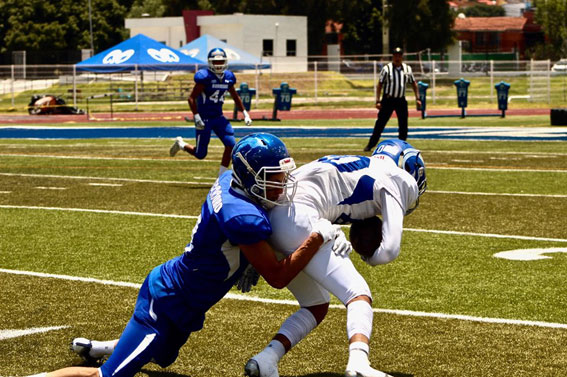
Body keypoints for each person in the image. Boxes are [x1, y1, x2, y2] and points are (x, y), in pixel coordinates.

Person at [27, 133, 343, 377]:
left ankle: (109, 347)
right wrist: (317, 236)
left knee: (161, 357)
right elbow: (277, 277)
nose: (280, 186)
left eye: (281, 176)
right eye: (271, 179)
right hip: (166, 302)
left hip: (183, 298)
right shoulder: (243, 216)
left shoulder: (229, 182)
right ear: (249, 177)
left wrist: (250, 259)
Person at [245, 139, 427, 377]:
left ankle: (266, 359)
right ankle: (359, 362)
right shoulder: (399, 178)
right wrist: (369, 258)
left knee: (316, 304)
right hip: (300, 219)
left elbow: (324, 194)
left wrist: (329, 226)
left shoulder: (357, 164)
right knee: (358, 293)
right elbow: (390, 249)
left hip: (276, 218)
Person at [170, 47, 253, 176]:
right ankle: (181, 144)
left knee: (231, 146)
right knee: (200, 154)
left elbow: (235, 96)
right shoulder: (205, 77)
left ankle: (221, 177)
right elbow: (191, 98)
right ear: (210, 62)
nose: (218, 65)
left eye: (221, 62)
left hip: (219, 117)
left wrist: (245, 113)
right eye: (216, 62)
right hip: (204, 119)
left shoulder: (229, 77)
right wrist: (196, 116)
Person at [364, 47, 422, 152]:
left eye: (399, 55)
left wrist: (417, 98)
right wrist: (377, 101)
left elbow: (413, 83)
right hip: (388, 100)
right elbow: (379, 85)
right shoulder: (387, 69)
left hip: (400, 100)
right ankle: (370, 144)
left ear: (402, 57)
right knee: (380, 123)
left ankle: (402, 147)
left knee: (403, 125)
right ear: (393, 56)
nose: (397, 58)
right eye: (395, 55)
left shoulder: (407, 69)